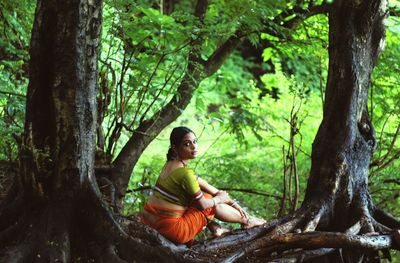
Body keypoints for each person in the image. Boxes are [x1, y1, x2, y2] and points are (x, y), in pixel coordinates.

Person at [140, 126, 266, 245]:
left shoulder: (170, 165)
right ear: (175, 148)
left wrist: (234, 204)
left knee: (205, 197)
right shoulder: (185, 174)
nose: (194, 147)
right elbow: (204, 204)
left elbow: (214, 190)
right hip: (175, 230)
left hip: (154, 224)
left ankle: (223, 226)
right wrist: (219, 199)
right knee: (207, 201)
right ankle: (246, 222)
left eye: (195, 141)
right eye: (187, 144)